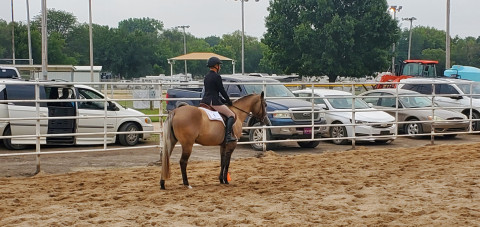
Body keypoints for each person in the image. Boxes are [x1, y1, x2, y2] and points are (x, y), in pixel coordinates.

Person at [200, 56, 237, 143]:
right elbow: (221, 90)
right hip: (213, 102)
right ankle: (228, 136)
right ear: (216, 66)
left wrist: (223, 101)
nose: (220, 67)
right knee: (231, 115)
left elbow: (212, 91)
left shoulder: (206, 76)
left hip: (205, 101)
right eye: (219, 65)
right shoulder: (217, 76)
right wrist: (228, 101)